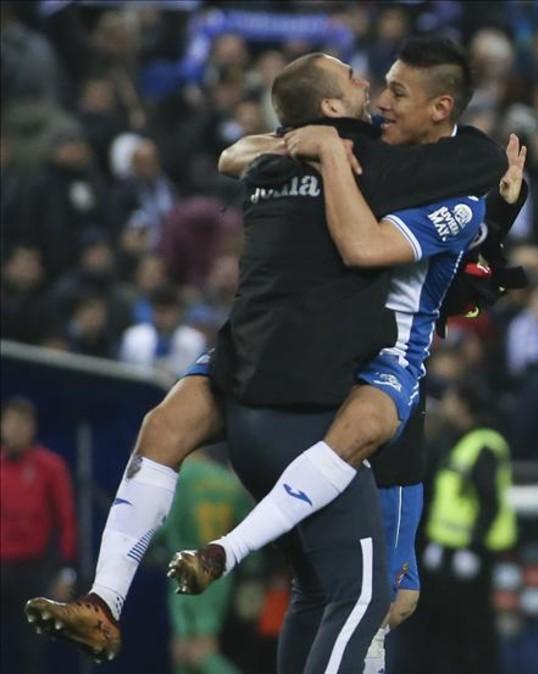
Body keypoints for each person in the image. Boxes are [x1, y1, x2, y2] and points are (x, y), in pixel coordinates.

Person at [26, 43, 508, 669]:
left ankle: (219, 554)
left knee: (378, 597)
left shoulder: (446, 182)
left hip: (386, 367)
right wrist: (309, 146)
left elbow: (384, 237)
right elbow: (240, 154)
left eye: (397, 92)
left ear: (440, 108)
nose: (381, 98)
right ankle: (115, 594)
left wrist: (501, 205)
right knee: (341, 586)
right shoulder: (349, 151)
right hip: (315, 353)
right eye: (375, 85)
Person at [417, 379, 516, 674]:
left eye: (451, 399)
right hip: (447, 550)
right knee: (450, 631)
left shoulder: (483, 444)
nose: (446, 406)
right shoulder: (457, 440)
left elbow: (489, 502)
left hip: (471, 554)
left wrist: (473, 547)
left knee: (475, 628)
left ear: (464, 405)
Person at [1, 397, 77, 674]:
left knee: (30, 651)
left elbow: (67, 520)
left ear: (32, 427)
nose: (15, 428)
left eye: (22, 422)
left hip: (34, 571)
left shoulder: (50, 466)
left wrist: (66, 572)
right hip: (1, 566)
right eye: (10, 421)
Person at [159, 447, 251, 674]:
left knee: (196, 650)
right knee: (187, 649)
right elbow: (248, 526)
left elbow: (166, 526)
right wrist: (253, 576)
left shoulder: (183, 478)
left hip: (186, 568)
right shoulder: (226, 480)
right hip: (219, 571)